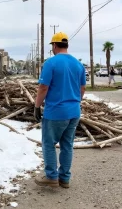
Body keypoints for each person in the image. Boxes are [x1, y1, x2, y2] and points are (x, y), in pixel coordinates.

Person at [33, 32, 86, 189]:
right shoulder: (78, 64)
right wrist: (75, 102)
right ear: (67, 45)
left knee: (49, 144)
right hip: (74, 111)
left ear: (54, 46)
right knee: (67, 145)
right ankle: (64, 178)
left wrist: (37, 106)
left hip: (56, 112)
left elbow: (43, 87)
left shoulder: (51, 63)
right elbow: (82, 88)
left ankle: (51, 177)